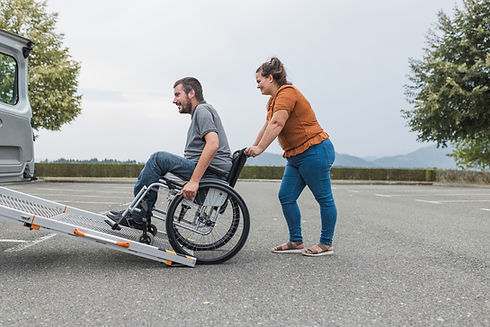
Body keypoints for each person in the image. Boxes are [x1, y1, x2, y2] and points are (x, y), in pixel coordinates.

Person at [108, 77, 232, 227]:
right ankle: (137, 212)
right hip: (211, 171)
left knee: (157, 159)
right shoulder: (202, 111)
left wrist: (194, 181)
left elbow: (213, 144)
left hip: (211, 173)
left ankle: (138, 217)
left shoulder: (202, 111)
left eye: (177, 95)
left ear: (191, 93)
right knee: (158, 163)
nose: (174, 100)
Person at [245, 57, 337, 256]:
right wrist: (254, 145)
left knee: (324, 198)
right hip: (295, 155)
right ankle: (296, 241)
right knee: (286, 196)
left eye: (259, 81)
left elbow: (278, 123)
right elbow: (268, 125)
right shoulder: (273, 100)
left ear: (270, 78)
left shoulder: (287, 93)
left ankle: (326, 243)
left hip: (314, 150)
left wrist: (260, 149)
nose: (258, 85)